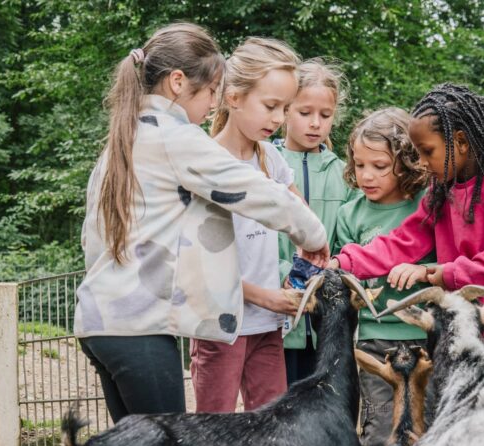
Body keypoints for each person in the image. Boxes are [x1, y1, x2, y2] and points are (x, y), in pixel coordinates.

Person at [73, 24, 328, 423]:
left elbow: (91, 239)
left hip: (99, 323)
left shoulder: (124, 139)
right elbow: (252, 190)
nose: (213, 102)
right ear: (177, 82)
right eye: (210, 91)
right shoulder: (178, 138)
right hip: (139, 328)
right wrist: (313, 235)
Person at [331, 83, 484, 406]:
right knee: (464, 417)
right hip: (465, 327)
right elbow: (402, 242)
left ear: (460, 142)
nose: (422, 162)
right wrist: (344, 263)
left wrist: (447, 274)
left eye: (428, 152)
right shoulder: (442, 191)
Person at [188, 37, 306, 413]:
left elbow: (301, 221)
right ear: (234, 97)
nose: (279, 119)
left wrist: (299, 276)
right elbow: (199, 267)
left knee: (273, 428)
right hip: (219, 326)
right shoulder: (205, 163)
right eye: (270, 106)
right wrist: (265, 296)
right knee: (215, 429)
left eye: (285, 108)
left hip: (268, 326)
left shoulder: (272, 158)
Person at [335, 107, 432, 445]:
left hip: (423, 337)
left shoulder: (424, 205)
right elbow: (346, 277)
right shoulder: (349, 214)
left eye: (379, 166)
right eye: (359, 165)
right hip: (373, 339)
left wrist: (421, 271)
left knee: (424, 426)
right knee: (379, 430)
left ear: (405, 162)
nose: (367, 176)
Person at [275, 58, 358, 384]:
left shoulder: (344, 173)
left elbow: (350, 237)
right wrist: (285, 273)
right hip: (279, 317)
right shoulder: (267, 164)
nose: (315, 124)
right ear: (285, 110)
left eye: (325, 115)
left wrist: (331, 278)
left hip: (328, 320)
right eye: (305, 112)